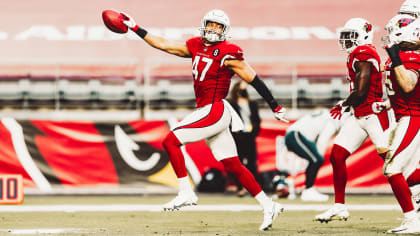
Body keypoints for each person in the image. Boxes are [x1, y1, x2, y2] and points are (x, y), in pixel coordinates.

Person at [120, 9, 288, 231]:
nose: (213, 29)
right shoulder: (195, 45)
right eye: (210, 24)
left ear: (225, 30)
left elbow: (253, 79)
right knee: (233, 164)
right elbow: (164, 44)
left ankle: (185, 192)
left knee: (171, 141)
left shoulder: (229, 52)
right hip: (206, 108)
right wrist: (135, 27)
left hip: (215, 108)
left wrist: (274, 105)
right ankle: (268, 204)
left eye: (218, 26)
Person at [314, 18, 394, 222]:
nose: (346, 39)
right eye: (345, 35)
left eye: (351, 35)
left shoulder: (364, 53)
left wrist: (343, 103)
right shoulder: (356, 55)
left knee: (393, 164)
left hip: (374, 114)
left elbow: (361, 91)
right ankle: (339, 206)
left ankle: (416, 195)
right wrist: (348, 104)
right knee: (337, 155)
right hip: (360, 114)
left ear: (364, 35)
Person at [379, 14, 420, 233]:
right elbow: (401, 92)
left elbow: (407, 85)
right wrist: (385, 105)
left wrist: (395, 57)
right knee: (408, 171)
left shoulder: (411, 56)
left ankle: (412, 221)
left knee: (393, 169)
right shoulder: (404, 55)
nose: (389, 35)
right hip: (406, 116)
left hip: (413, 117)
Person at [285, 109, 349, 202]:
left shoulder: (327, 114)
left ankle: (308, 188)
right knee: (316, 160)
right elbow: (322, 141)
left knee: (315, 160)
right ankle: (308, 190)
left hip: (295, 134)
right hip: (295, 135)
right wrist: (319, 159)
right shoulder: (333, 121)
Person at [228, 80, 261, 197]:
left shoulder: (252, 104)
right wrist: (236, 134)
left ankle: (254, 189)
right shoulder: (231, 104)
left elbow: (256, 120)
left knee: (252, 164)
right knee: (239, 164)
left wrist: (254, 132)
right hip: (238, 136)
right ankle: (240, 188)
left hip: (250, 136)